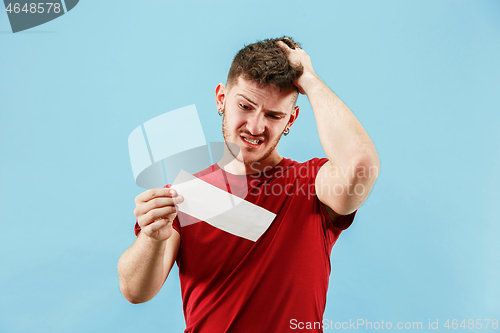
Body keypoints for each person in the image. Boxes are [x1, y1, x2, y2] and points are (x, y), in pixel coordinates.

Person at [117, 36, 380, 332]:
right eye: (245, 105)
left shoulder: (313, 187)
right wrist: (151, 237)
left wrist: (310, 79)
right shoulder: (184, 196)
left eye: (273, 115)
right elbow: (135, 291)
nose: (256, 127)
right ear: (221, 99)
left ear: (291, 119)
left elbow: (361, 165)